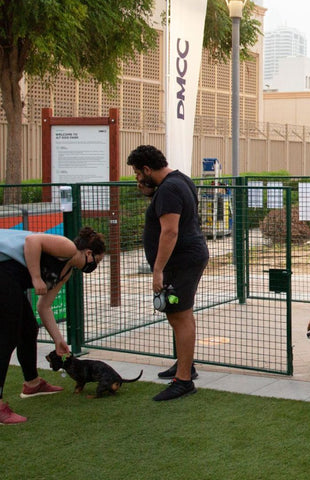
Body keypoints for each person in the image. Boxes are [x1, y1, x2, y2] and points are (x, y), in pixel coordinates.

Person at [127, 145, 209, 401]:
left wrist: (158, 270)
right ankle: (185, 365)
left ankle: (183, 380)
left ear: (147, 169)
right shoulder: (179, 180)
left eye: (138, 173)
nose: (137, 179)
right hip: (187, 259)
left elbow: (170, 231)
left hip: (179, 263)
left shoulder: (169, 189)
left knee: (179, 316)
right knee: (181, 314)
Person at [0, 227, 106, 424]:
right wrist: (36, 277)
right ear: (89, 253)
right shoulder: (68, 248)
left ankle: (32, 384)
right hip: (4, 274)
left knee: (29, 328)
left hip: (11, 281)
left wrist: (59, 341)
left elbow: (44, 307)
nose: (94, 267)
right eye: (96, 261)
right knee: (7, 338)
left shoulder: (67, 273)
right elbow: (33, 241)